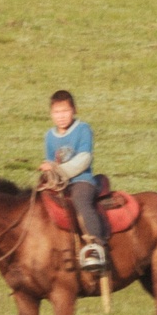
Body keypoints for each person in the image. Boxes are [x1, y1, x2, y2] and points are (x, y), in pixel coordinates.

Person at [40, 89, 108, 271]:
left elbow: (84, 159)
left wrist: (57, 169)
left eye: (65, 111)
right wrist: (48, 173)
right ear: (51, 114)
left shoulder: (83, 129)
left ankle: (96, 245)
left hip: (81, 180)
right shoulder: (49, 136)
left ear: (74, 110)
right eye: (56, 112)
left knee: (81, 201)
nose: (61, 116)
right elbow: (50, 160)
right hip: (60, 183)